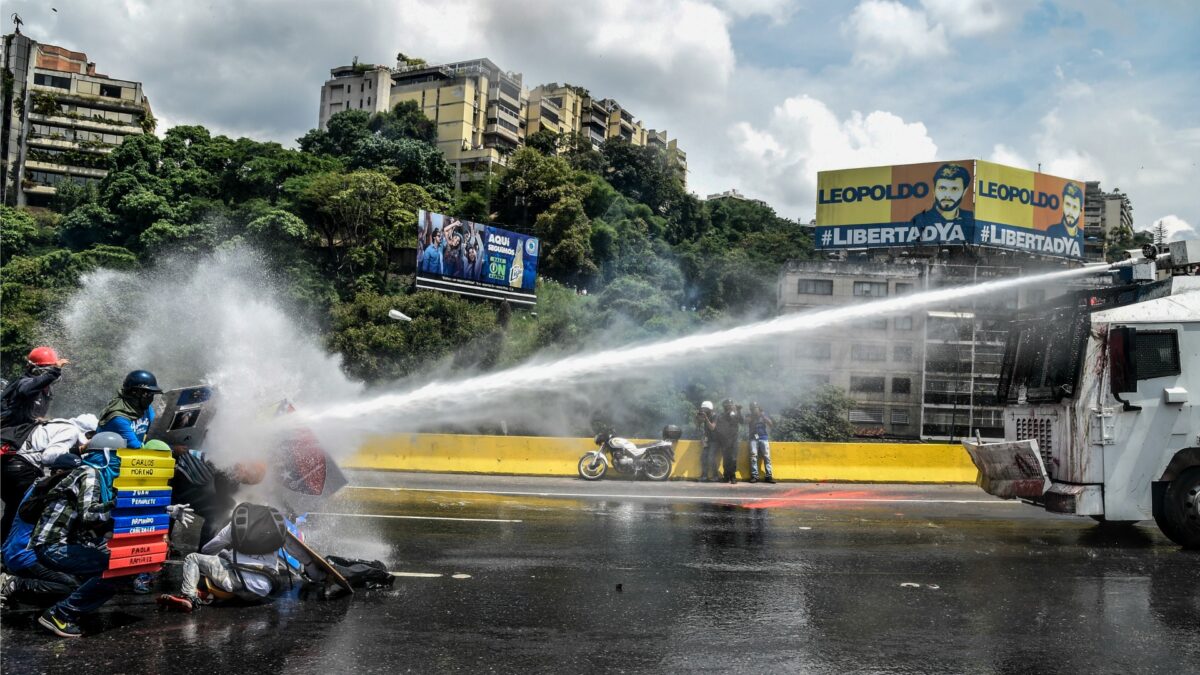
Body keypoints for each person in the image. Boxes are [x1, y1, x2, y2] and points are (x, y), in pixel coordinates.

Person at [29, 431, 123, 637]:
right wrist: (119, 505)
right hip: (54, 546)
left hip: (58, 544)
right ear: (107, 455)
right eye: (118, 457)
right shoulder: (89, 473)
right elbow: (90, 514)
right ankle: (60, 614)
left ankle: (73, 607)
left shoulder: (93, 474)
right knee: (115, 567)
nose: (120, 463)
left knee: (112, 562)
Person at [157, 503, 329, 613]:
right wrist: (319, 577)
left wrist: (227, 549)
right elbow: (305, 560)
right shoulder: (279, 529)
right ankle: (211, 594)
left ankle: (188, 596)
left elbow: (208, 549)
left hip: (235, 582)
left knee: (193, 559)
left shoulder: (235, 526)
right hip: (263, 589)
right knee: (227, 560)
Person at [0, 454, 84, 608]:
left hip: (18, 551)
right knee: (73, 589)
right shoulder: (52, 493)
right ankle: (13, 584)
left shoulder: (40, 486)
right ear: (58, 472)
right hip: (26, 556)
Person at [1, 414, 97, 542]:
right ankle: (15, 551)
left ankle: (5, 547)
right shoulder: (71, 431)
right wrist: (79, 450)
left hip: (9, 466)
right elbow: (48, 456)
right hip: (22, 470)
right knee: (27, 513)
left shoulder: (55, 423)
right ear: (87, 433)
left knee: (12, 512)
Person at [170, 443, 267, 548]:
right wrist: (230, 504)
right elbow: (221, 486)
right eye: (248, 479)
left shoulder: (235, 470)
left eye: (247, 482)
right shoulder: (231, 463)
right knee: (217, 514)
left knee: (218, 513)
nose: (245, 482)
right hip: (181, 479)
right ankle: (205, 551)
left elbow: (226, 492)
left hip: (191, 483)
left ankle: (206, 549)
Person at [0, 346, 69, 430]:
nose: (51, 372)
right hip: (9, 430)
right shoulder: (25, 382)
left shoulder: (47, 389)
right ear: (35, 368)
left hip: (25, 430)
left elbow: (36, 414)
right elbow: (27, 389)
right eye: (49, 369)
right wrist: (54, 372)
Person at [97, 370, 162, 449]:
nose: (151, 398)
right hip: (111, 459)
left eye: (152, 394)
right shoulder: (118, 418)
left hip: (131, 457)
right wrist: (173, 449)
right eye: (147, 394)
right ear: (134, 393)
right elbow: (136, 447)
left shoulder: (146, 408)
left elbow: (156, 432)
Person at [912, 163, 973, 231]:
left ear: (964, 192)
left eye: (954, 189)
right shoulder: (919, 220)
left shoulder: (971, 219)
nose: (947, 195)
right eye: (942, 188)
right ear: (934, 190)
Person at [714, 399, 744, 484]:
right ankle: (726, 476)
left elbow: (742, 421)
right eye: (728, 405)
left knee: (733, 458)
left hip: (734, 440)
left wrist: (739, 410)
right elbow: (719, 426)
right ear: (724, 406)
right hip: (725, 440)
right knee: (726, 459)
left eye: (731, 405)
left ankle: (733, 476)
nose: (730, 406)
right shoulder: (721, 415)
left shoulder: (734, 414)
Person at [1045, 182, 1085, 247]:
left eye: (1075, 207)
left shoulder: (1081, 237)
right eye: (1067, 204)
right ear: (1062, 205)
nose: (1070, 212)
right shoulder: (1052, 231)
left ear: (1080, 211)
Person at [746, 403, 776, 484]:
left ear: (759, 408)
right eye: (752, 408)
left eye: (755, 408)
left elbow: (771, 424)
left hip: (763, 438)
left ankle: (769, 476)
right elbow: (747, 421)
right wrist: (753, 416)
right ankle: (754, 476)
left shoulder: (763, 415)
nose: (754, 410)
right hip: (753, 438)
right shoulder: (749, 415)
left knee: (767, 457)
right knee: (753, 456)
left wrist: (763, 416)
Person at [694, 401, 717, 482]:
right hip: (707, 440)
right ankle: (704, 476)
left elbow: (712, 427)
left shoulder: (714, 416)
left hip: (715, 440)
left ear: (710, 409)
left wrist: (706, 418)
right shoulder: (704, 416)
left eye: (705, 409)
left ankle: (715, 476)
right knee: (703, 458)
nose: (703, 410)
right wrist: (697, 418)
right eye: (703, 409)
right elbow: (697, 427)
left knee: (711, 458)